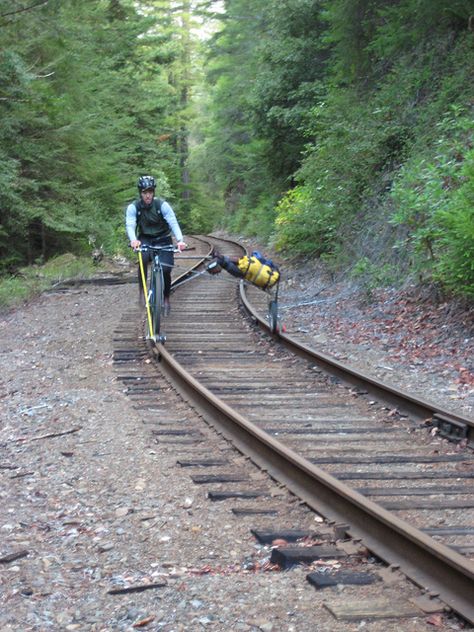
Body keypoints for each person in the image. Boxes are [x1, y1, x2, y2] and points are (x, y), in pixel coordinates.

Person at [126, 175, 186, 313]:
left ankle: (166, 298)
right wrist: (133, 240)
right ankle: (142, 291)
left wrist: (180, 240)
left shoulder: (162, 205)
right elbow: (130, 224)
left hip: (163, 239)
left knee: (166, 269)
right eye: (145, 192)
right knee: (143, 259)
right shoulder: (134, 207)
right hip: (145, 238)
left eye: (150, 192)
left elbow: (173, 222)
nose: (148, 196)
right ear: (140, 193)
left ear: (153, 192)